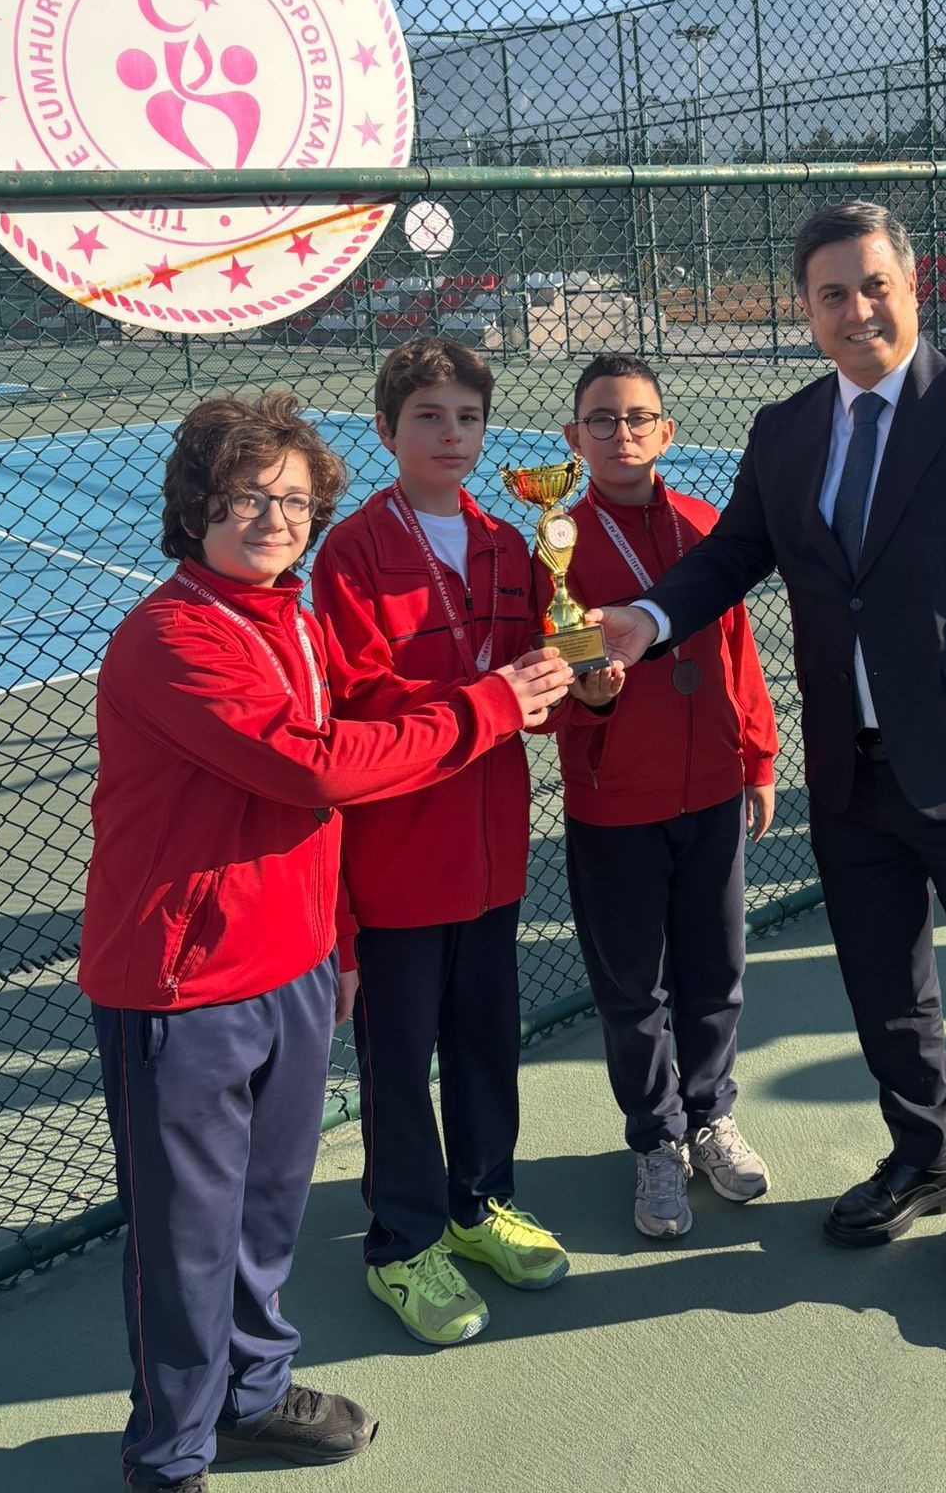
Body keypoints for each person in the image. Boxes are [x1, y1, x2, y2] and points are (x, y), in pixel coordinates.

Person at [593, 201, 946, 1340]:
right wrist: (646, 617)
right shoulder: (786, 430)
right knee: (886, 991)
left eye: (874, 285)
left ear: (913, 286)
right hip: (851, 773)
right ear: (809, 310)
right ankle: (927, 1154)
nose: (857, 310)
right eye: (832, 293)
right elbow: (735, 553)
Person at [78, 392, 573, 1492]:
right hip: (184, 987)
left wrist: (337, 937)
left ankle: (253, 1393)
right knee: (186, 1236)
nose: (274, 518)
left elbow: (315, 816)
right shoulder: (171, 636)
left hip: (295, 968)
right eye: (248, 496)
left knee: (268, 1209)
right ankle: (170, 1453)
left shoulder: (293, 618)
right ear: (197, 507)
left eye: (295, 501)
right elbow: (314, 767)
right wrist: (491, 706)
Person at [310, 337, 612, 1346]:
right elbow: (361, 699)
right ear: (387, 430)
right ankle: (402, 1242)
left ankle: (480, 1204)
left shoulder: (512, 541)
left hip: (492, 854)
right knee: (400, 1064)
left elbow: (540, 674)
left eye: (468, 417)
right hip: (399, 859)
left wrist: (583, 678)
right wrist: (494, 696)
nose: (451, 435)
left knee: (486, 1041)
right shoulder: (354, 552)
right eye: (428, 417)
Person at [547, 353, 779, 1239]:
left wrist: (758, 757)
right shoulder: (556, 543)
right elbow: (553, 683)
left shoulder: (705, 526)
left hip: (712, 787)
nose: (622, 434)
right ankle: (655, 1139)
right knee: (633, 989)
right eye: (602, 420)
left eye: (638, 417)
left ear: (666, 432)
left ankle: (712, 1115)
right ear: (574, 438)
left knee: (715, 970)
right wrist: (588, 698)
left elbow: (737, 653)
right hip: (616, 800)